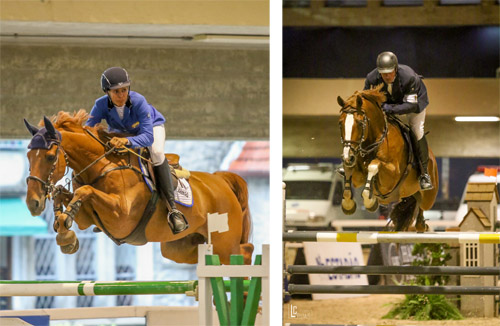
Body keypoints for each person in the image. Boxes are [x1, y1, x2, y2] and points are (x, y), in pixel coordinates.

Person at [86, 67, 189, 234]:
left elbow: (147, 137)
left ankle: (173, 210)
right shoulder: (99, 105)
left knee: (156, 153)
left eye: (124, 90)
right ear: (107, 92)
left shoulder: (139, 101)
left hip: (150, 129)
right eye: (116, 91)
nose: (121, 95)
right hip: (121, 134)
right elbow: (88, 132)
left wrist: (127, 141)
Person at [364, 52, 433, 190]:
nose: (387, 76)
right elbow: (367, 102)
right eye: (383, 73)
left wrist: (389, 108)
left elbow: (410, 105)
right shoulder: (371, 79)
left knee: (416, 130)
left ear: (395, 69)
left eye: (389, 72)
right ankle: (352, 162)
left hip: (414, 103)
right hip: (390, 103)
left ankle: (424, 174)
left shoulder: (409, 77)